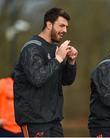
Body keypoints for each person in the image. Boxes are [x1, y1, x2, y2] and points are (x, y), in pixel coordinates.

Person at [13, 7, 78, 137]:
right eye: (61, 25)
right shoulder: (31, 48)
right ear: (49, 24)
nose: (65, 30)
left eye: (66, 27)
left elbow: (66, 80)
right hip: (34, 121)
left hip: (54, 121)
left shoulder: (54, 48)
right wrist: (58, 58)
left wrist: (71, 62)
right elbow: (37, 78)